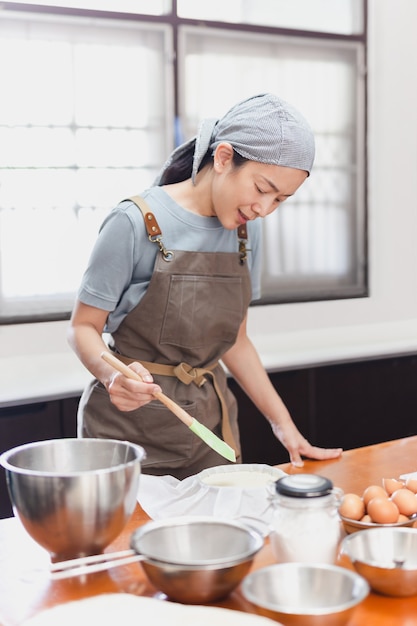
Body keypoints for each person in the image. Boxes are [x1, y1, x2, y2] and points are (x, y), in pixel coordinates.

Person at [68, 93, 342, 479]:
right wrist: (112, 376)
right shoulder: (134, 221)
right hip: (128, 432)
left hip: (211, 430)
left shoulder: (247, 233)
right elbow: (82, 328)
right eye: (262, 188)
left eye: (281, 199)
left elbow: (236, 341)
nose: (265, 208)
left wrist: (284, 427)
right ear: (224, 157)